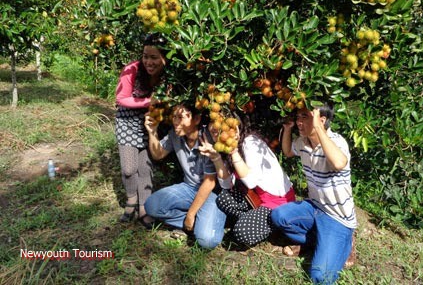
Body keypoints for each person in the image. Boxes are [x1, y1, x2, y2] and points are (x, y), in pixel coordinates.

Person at [270, 103, 357, 284]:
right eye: (298, 118)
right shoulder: (302, 143)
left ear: (321, 120)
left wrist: (318, 128)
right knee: (279, 216)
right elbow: (287, 152)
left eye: (305, 117)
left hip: (338, 217)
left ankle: (345, 242)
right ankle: (319, 241)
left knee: (320, 277)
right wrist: (287, 129)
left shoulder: (337, 142)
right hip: (315, 207)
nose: (299, 122)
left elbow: (340, 163)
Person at [199, 115, 295, 247]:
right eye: (213, 131)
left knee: (241, 233)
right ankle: (256, 221)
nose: (215, 133)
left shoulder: (250, 143)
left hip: (276, 202)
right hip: (255, 198)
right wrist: (216, 158)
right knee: (223, 199)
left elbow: (250, 182)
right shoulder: (225, 147)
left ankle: (274, 226)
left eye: (218, 129)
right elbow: (226, 184)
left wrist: (234, 152)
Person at [143, 104, 227, 249]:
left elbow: (209, 183)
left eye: (181, 117)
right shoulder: (175, 135)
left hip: (211, 194)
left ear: (196, 119)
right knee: (151, 206)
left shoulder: (207, 139)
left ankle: (204, 222)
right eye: (174, 117)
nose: (176, 121)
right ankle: (198, 224)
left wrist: (191, 214)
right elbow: (158, 154)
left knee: (207, 242)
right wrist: (152, 132)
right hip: (188, 188)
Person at [115, 33, 167, 227]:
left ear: (164, 58)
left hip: (150, 123)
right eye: (146, 56)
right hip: (127, 121)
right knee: (129, 169)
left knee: (145, 168)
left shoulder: (168, 75)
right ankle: (131, 201)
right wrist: (148, 101)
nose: (148, 61)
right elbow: (121, 98)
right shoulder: (132, 70)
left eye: (154, 57)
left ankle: (145, 207)